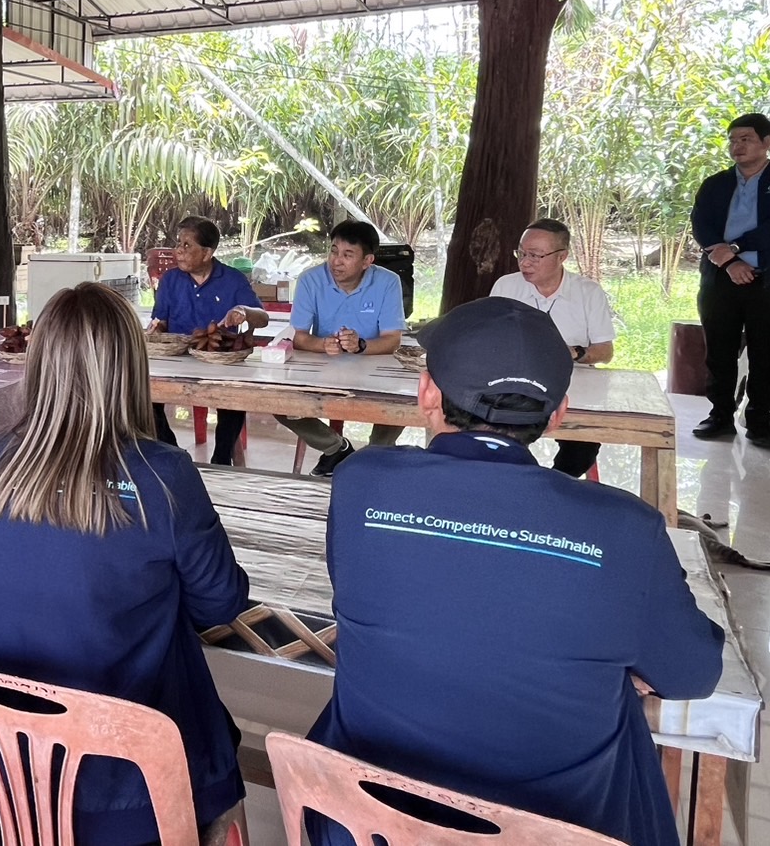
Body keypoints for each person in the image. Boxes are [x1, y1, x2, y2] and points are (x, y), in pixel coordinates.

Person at [307, 296, 724, 846]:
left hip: (366, 824)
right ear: (558, 414)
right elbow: (691, 674)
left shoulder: (362, 484)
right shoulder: (624, 529)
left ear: (427, 392)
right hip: (555, 831)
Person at [0, 282, 250, 845]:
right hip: (129, 809)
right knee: (210, 727)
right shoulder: (162, 475)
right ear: (130, 370)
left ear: (38, 366)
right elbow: (221, 603)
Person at [690, 112, 770, 451]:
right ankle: (720, 416)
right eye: (733, 140)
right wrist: (729, 262)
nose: (737, 146)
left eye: (746, 139)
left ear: (766, 142)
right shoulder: (715, 183)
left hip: (769, 282)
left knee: (765, 354)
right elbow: (701, 225)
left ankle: (759, 421)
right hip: (720, 279)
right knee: (719, 352)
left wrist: (737, 248)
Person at [278, 219, 405, 472]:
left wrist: (361, 346)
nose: (336, 261)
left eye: (348, 255)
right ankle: (336, 448)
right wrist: (322, 344)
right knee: (279, 403)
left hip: (374, 367)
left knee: (401, 402)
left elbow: (393, 340)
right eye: (334, 251)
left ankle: (373, 455)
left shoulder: (388, 282)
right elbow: (298, 337)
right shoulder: (310, 280)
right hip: (325, 367)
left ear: (367, 261)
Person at [490, 218, 615, 476]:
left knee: (582, 446)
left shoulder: (588, 293)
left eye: (535, 255)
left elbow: (605, 351)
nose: (525, 262)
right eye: (521, 253)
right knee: (494, 433)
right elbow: (492, 339)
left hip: (573, 386)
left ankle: (554, 484)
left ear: (562, 257)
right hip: (517, 384)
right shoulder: (506, 286)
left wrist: (576, 353)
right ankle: (518, 481)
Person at [147, 216, 269, 465]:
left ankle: (221, 459)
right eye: (178, 243)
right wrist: (155, 329)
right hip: (178, 360)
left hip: (220, 362)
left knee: (234, 396)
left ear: (207, 253)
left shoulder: (232, 279)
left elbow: (263, 318)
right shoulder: (170, 280)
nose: (178, 251)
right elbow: (161, 322)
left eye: (186, 245)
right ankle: (174, 455)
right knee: (145, 396)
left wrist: (244, 311)